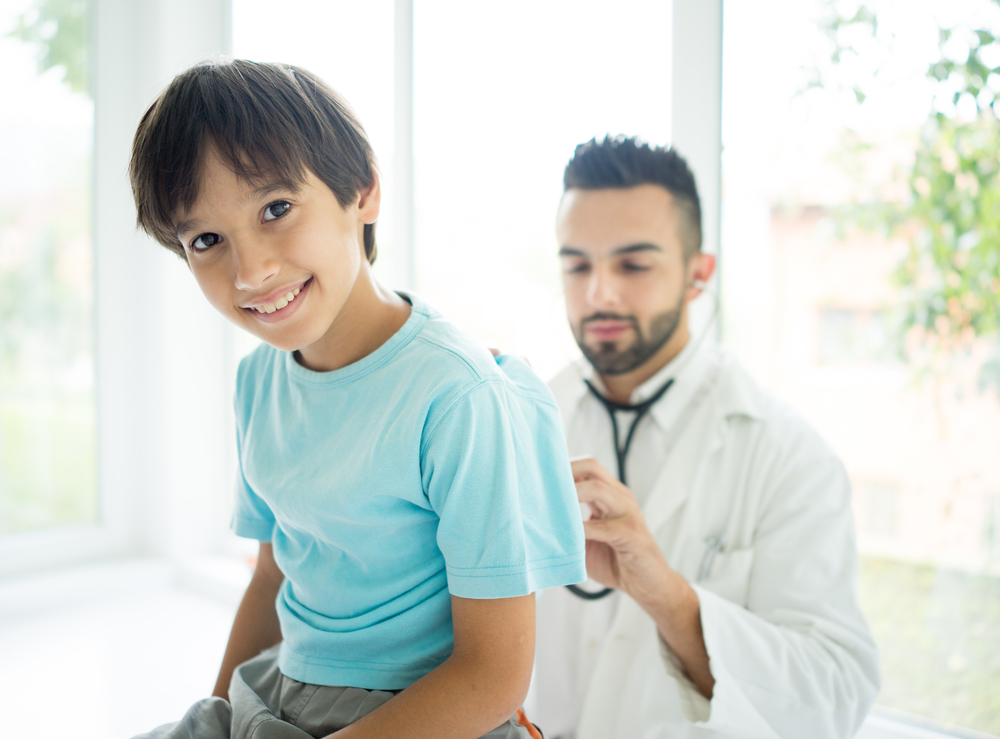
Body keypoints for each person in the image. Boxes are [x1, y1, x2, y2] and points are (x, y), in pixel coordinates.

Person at [127, 58, 587, 739]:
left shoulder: (457, 395)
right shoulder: (258, 383)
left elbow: (494, 675)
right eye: (207, 240)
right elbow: (270, 576)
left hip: (426, 716)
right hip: (284, 692)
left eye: (276, 209)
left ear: (363, 192)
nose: (251, 270)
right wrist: (219, 714)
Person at [531, 136, 881, 739]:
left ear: (698, 274)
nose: (599, 293)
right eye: (577, 265)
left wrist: (669, 597)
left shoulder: (785, 455)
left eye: (633, 265)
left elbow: (835, 696)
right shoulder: (526, 421)